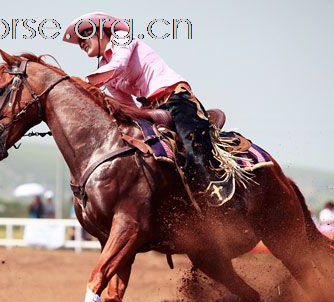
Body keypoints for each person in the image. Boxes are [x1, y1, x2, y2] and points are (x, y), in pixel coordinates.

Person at [63, 12, 219, 194]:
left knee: (195, 151)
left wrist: (83, 86)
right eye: (79, 41)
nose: (81, 43)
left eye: (85, 34)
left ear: (101, 32)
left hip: (177, 99)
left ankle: (215, 193)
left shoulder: (122, 38)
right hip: (152, 109)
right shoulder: (103, 71)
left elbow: (119, 64)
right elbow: (126, 106)